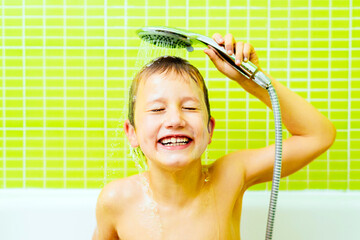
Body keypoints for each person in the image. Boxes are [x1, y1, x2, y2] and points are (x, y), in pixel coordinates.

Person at [92, 33, 336, 240]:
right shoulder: (116, 201)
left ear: (209, 129)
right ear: (131, 133)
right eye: (157, 109)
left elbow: (319, 135)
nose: (175, 120)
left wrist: (250, 79)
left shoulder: (229, 176)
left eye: (190, 107)